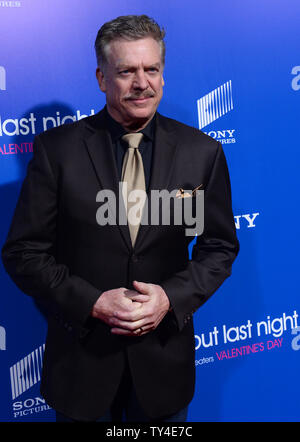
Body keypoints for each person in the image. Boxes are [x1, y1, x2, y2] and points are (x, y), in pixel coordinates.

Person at [1, 15, 239, 422]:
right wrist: (91, 302)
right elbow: (24, 253)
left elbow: (218, 247)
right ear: (101, 78)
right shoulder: (57, 151)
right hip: (82, 364)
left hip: (164, 365)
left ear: (163, 75)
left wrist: (169, 298)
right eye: (126, 71)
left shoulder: (202, 153)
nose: (141, 82)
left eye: (152, 69)